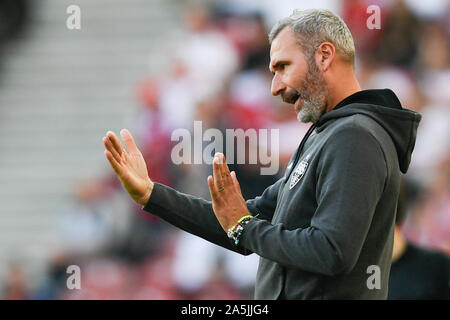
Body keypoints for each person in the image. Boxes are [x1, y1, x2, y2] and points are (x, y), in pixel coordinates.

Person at [102, 9, 421, 299]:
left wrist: (243, 227)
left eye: (283, 67)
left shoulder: (354, 137)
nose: (275, 87)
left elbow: (331, 251)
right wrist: (151, 194)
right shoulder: (328, 134)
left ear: (324, 56)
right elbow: (242, 218)